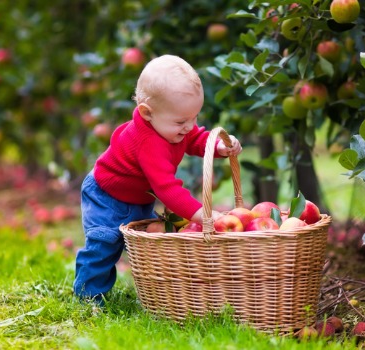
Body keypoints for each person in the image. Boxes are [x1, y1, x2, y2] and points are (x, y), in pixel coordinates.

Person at [73, 55, 243, 303]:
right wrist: (203, 214)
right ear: (147, 113)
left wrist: (217, 147)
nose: (190, 126)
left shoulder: (172, 125)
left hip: (137, 195)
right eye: (182, 121)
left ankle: (152, 292)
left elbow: (193, 139)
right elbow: (167, 189)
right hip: (107, 195)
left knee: (142, 244)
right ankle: (88, 297)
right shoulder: (148, 142)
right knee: (105, 243)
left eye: (195, 117)